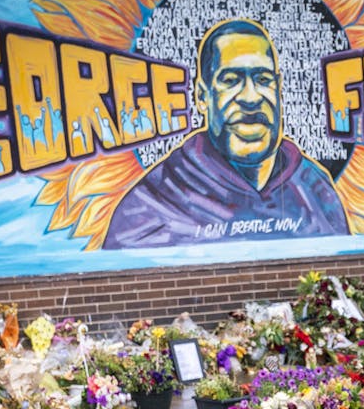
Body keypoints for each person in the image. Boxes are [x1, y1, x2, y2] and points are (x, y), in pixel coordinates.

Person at [104, 18, 348, 249]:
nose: (251, 98)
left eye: (263, 79)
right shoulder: (151, 206)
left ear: (278, 88)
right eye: (231, 80)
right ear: (202, 96)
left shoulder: (315, 188)